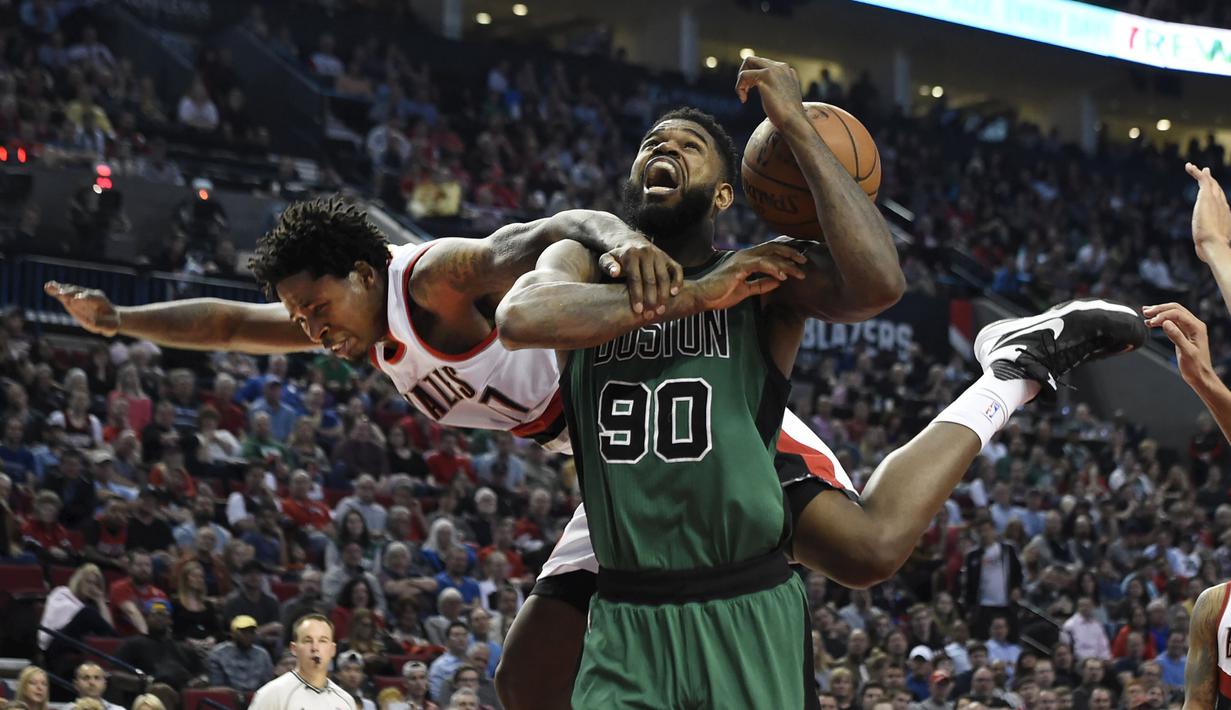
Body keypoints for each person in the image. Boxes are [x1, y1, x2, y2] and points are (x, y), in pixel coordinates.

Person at [45, 67, 1141, 708]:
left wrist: (786, 144)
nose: (308, 327)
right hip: (606, 460)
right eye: (303, 315)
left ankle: (1008, 368)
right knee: (523, 688)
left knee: (862, 549)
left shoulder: (431, 277)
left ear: (362, 270)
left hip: (693, 431)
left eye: (318, 305)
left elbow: (536, 240)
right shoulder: (375, 329)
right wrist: (123, 318)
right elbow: (236, 323)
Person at [492, 56, 1145, 707]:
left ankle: (1012, 372)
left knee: (868, 547)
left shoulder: (763, 274)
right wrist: (695, 295)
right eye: (651, 143)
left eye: (689, 145)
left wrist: (796, 128)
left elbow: (878, 285)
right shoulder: (580, 260)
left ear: (726, 194)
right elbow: (521, 316)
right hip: (626, 611)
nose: (665, 146)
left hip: (742, 603)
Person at [249, 614, 352, 710]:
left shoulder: (345, 700)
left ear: (332, 650)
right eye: (308, 641)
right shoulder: (272, 694)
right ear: (294, 648)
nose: (315, 648)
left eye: (322, 641)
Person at [206, 615, 274, 693]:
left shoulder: (262, 654)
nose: (248, 635)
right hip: (227, 698)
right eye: (244, 631)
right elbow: (216, 686)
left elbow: (268, 683)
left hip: (258, 698)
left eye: (251, 632)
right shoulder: (218, 654)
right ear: (233, 633)